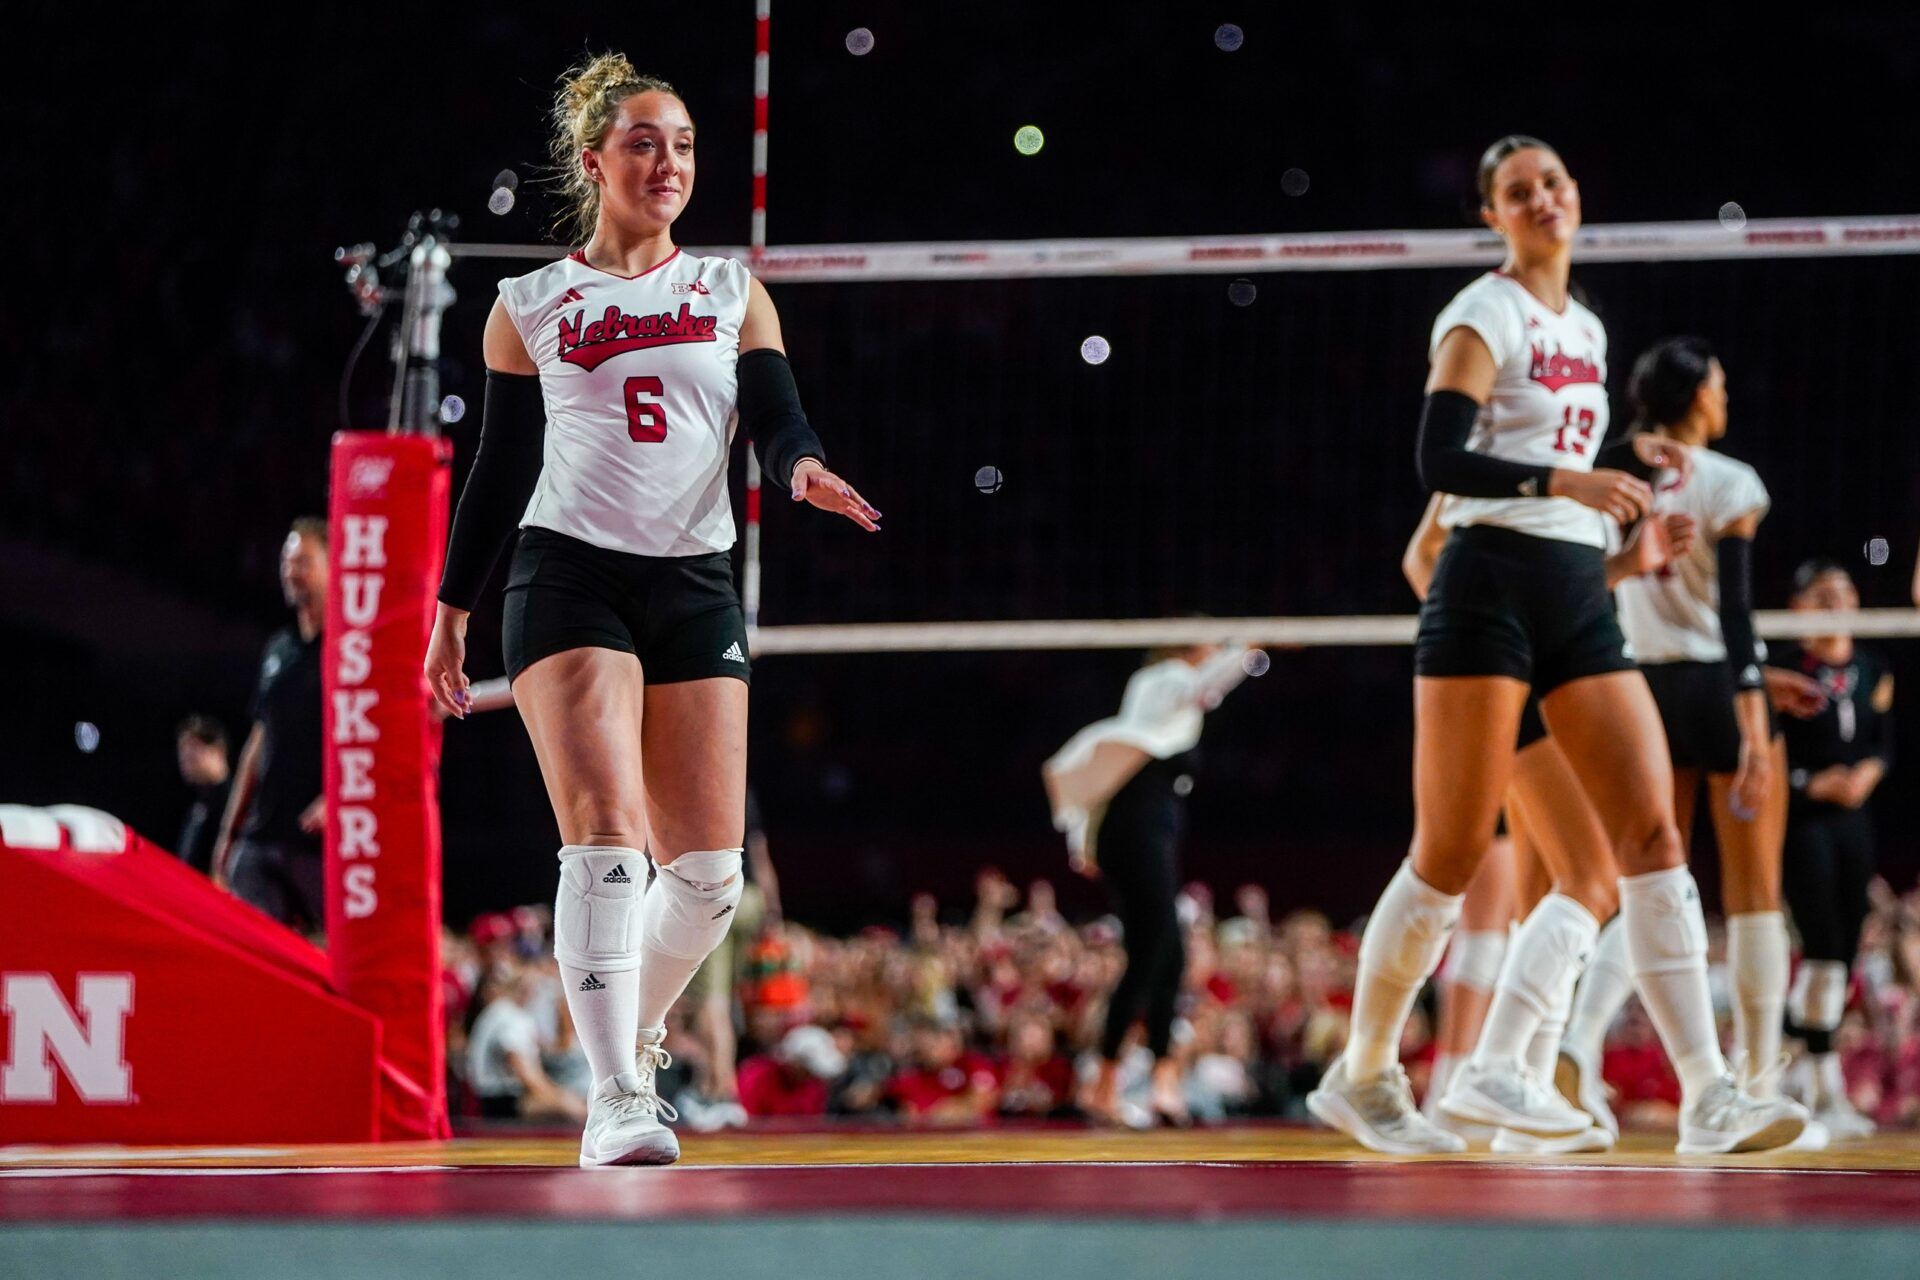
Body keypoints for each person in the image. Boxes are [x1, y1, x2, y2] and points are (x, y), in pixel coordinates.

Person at [1306, 135, 1804, 1156]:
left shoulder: (1587, 325)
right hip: (1487, 587)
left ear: (1576, 196)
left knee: (1648, 840)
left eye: (1554, 182)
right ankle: (1364, 1071)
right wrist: (1561, 482)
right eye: (1519, 189)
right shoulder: (1482, 313)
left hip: (1576, 592)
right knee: (1449, 855)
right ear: (1491, 213)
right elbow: (1438, 458)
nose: (1543, 198)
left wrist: (1621, 554)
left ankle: (1710, 1095)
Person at [423, 54, 876, 1169]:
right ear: (595, 163)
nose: (668, 161)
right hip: (567, 578)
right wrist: (451, 611)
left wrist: (802, 466)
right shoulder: (529, 305)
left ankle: (624, 1029)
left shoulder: (729, 289)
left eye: (681, 143)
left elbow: (775, 412)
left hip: (694, 581)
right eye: (642, 143)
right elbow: (498, 468)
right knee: (608, 837)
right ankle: (618, 1095)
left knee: (711, 880)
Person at [1402, 490, 1692, 1152]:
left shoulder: (1584, 475)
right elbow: (1422, 559)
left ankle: (1523, 1096)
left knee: (1544, 895)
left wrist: (1624, 566)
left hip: (1555, 676)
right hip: (1529, 684)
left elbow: (1556, 589)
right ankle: (1477, 1071)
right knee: (1586, 879)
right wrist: (1487, 646)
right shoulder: (1505, 456)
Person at [1562, 338, 1791, 1125]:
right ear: (1696, 396)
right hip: (1716, 685)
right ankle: (1760, 1084)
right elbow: (1736, 616)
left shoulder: (1609, 474)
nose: (1725, 397)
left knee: (1650, 880)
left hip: (1640, 686)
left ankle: (1578, 1044)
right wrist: (1754, 725)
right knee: (1755, 895)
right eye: (1718, 384)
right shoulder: (1731, 481)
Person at [1043, 640, 1259, 1127]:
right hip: (1135, 836)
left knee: (1167, 956)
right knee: (1153, 953)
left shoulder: (1162, 713)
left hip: (1147, 836)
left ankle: (1158, 1079)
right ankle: (1107, 1081)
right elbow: (1205, 686)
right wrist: (1246, 649)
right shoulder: (1162, 680)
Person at [1777, 559, 1894, 1137]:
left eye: (1844, 593)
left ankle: (1805, 1066)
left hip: (1854, 820)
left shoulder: (1872, 668)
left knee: (1845, 951)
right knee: (1820, 947)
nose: (1836, 605)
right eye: (1823, 596)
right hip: (1804, 821)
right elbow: (1770, 752)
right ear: (1798, 607)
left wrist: (1868, 772)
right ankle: (1818, 1082)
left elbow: (1883, 743)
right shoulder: (1784, 671)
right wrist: (1809, 783)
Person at [211, 518, 329, 932]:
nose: (290, 571)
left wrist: (340, 800)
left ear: (334, 565)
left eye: (303, 561)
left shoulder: (354, 650)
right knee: (249, 952)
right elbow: (259, 741)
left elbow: (379, 735)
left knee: (330, 958)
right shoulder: (279, 648)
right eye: (285, 561)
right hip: (262, 838)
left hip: (320, 845)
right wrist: (229, 831)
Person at [173, 715, 231, 876]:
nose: (185, 756)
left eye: (193, 747)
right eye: (182, 749)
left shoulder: (231, 803)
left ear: (218, 750)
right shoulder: (199, 804)